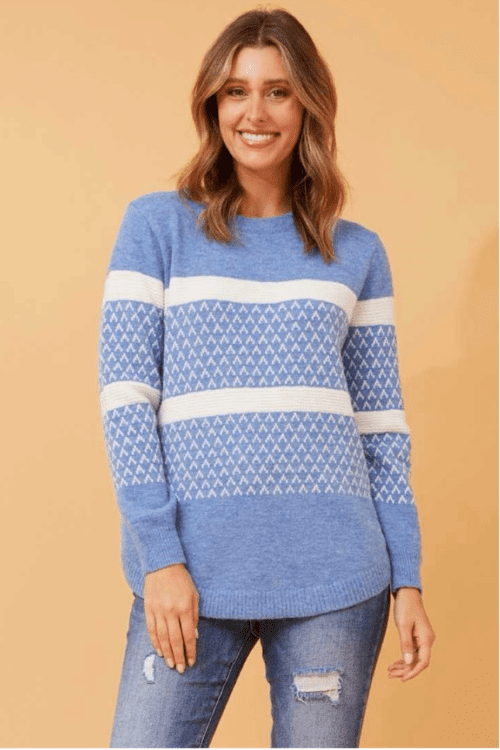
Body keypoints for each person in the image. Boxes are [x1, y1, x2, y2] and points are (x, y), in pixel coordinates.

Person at [98, 7, 436, 748]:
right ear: (212, 106)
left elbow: (381, 430)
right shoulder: (156, 227)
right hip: (192, 573)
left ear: (308, 103)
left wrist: (407, 576)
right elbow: (126, 402)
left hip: (336, 577)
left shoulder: (357, 252)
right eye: (236, 91)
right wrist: (160, 557)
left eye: (278, 91)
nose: (255, 113)